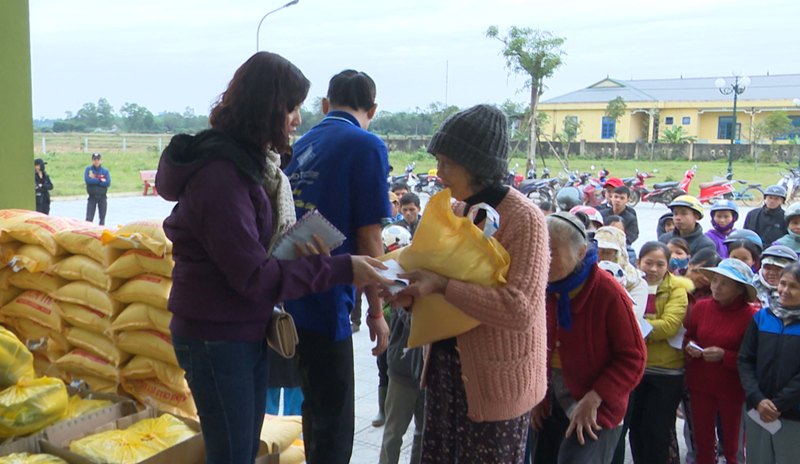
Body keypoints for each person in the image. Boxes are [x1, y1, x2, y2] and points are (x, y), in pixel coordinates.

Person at [155, 52, 391, 464]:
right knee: (232, 454)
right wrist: (343, 267)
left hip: (243, 326)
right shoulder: (221, 175)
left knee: (242, 448)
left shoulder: (254, 164)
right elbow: (251, 273)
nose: (297, 120)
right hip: (216, 334)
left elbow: (252, 254)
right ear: (267, 108)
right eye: (291, 108)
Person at [388, 105, 549, 462]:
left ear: (476, 165)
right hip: (447, 376)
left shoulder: (524, 220)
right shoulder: (457, 210)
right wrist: (412, 291)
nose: (439, 173)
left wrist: (442, 285)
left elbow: (519, 308)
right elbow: (433, 275)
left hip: (496, 384)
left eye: (448, 163)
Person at [283, 69, 391, 464]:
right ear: (373, 110)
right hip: (327, 300)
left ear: (325, 105)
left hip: (288, 293)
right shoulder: (366, 145)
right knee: (335, 417)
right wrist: (378, 313)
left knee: (314, 408)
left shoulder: (302, 142)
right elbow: (370, 239)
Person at [532, 212, 646, 464]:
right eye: (540, 251)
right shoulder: (542, 286)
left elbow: (633, 358)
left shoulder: (608, 293)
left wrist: (595, 397)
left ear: (581, 253)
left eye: (553, 254)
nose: (544, 261)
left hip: (596, 404)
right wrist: (537, 394)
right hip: (550, 400)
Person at [684, 258, 758, 464]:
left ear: (739, 289)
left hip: (732, 387)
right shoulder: (701, 307)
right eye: (715, 280)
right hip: (700, 382)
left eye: (724, 283)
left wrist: (724, 355)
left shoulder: (750, 316)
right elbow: (689, 335)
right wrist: (690, 346)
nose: (716, 286)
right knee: (703, 442)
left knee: (732, 444)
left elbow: (751, 357)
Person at [628, 241, 692, 464]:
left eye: (660, 264)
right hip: (635, 369)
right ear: (638, 262)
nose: (653, 269)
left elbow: (670, 325)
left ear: (668, 265)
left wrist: (633, 325)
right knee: (635, 428)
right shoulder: (629, 284)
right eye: (648, 263)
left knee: (657, 430)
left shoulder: (678, 289)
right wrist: (647, 326)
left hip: (666, 372)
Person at [738, 262, 800, 464]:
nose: (784, 290)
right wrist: (757, 398)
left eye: (793, 286)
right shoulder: (762, 317)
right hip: (758, 409)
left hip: (793, 414)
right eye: (783, 283)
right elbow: (745, 359)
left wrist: (778, 404)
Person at [379, 306, 424, 464]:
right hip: (403, 369)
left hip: (431, 373)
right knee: (393, 434)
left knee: (424, 434)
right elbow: (413, 321)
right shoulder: (403, 284)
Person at [595, 225, 647, 319]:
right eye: (597, 252)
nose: (600, 257)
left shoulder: (636, 282)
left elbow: (632, 316)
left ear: (618, 254)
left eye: (607, 253)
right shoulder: (585, 277)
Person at [84, 152, 110, 225]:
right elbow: (88, 180)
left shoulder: (105, 171)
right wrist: (100, 179)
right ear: (92, 161)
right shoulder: (88, 170)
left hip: (102, 197)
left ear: (101, 160)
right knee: (89, 218)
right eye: (95, 159)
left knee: (102, 218)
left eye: (98, 159)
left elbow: (107, 183)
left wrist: (94, 178)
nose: (96, 161)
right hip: (92, 197)